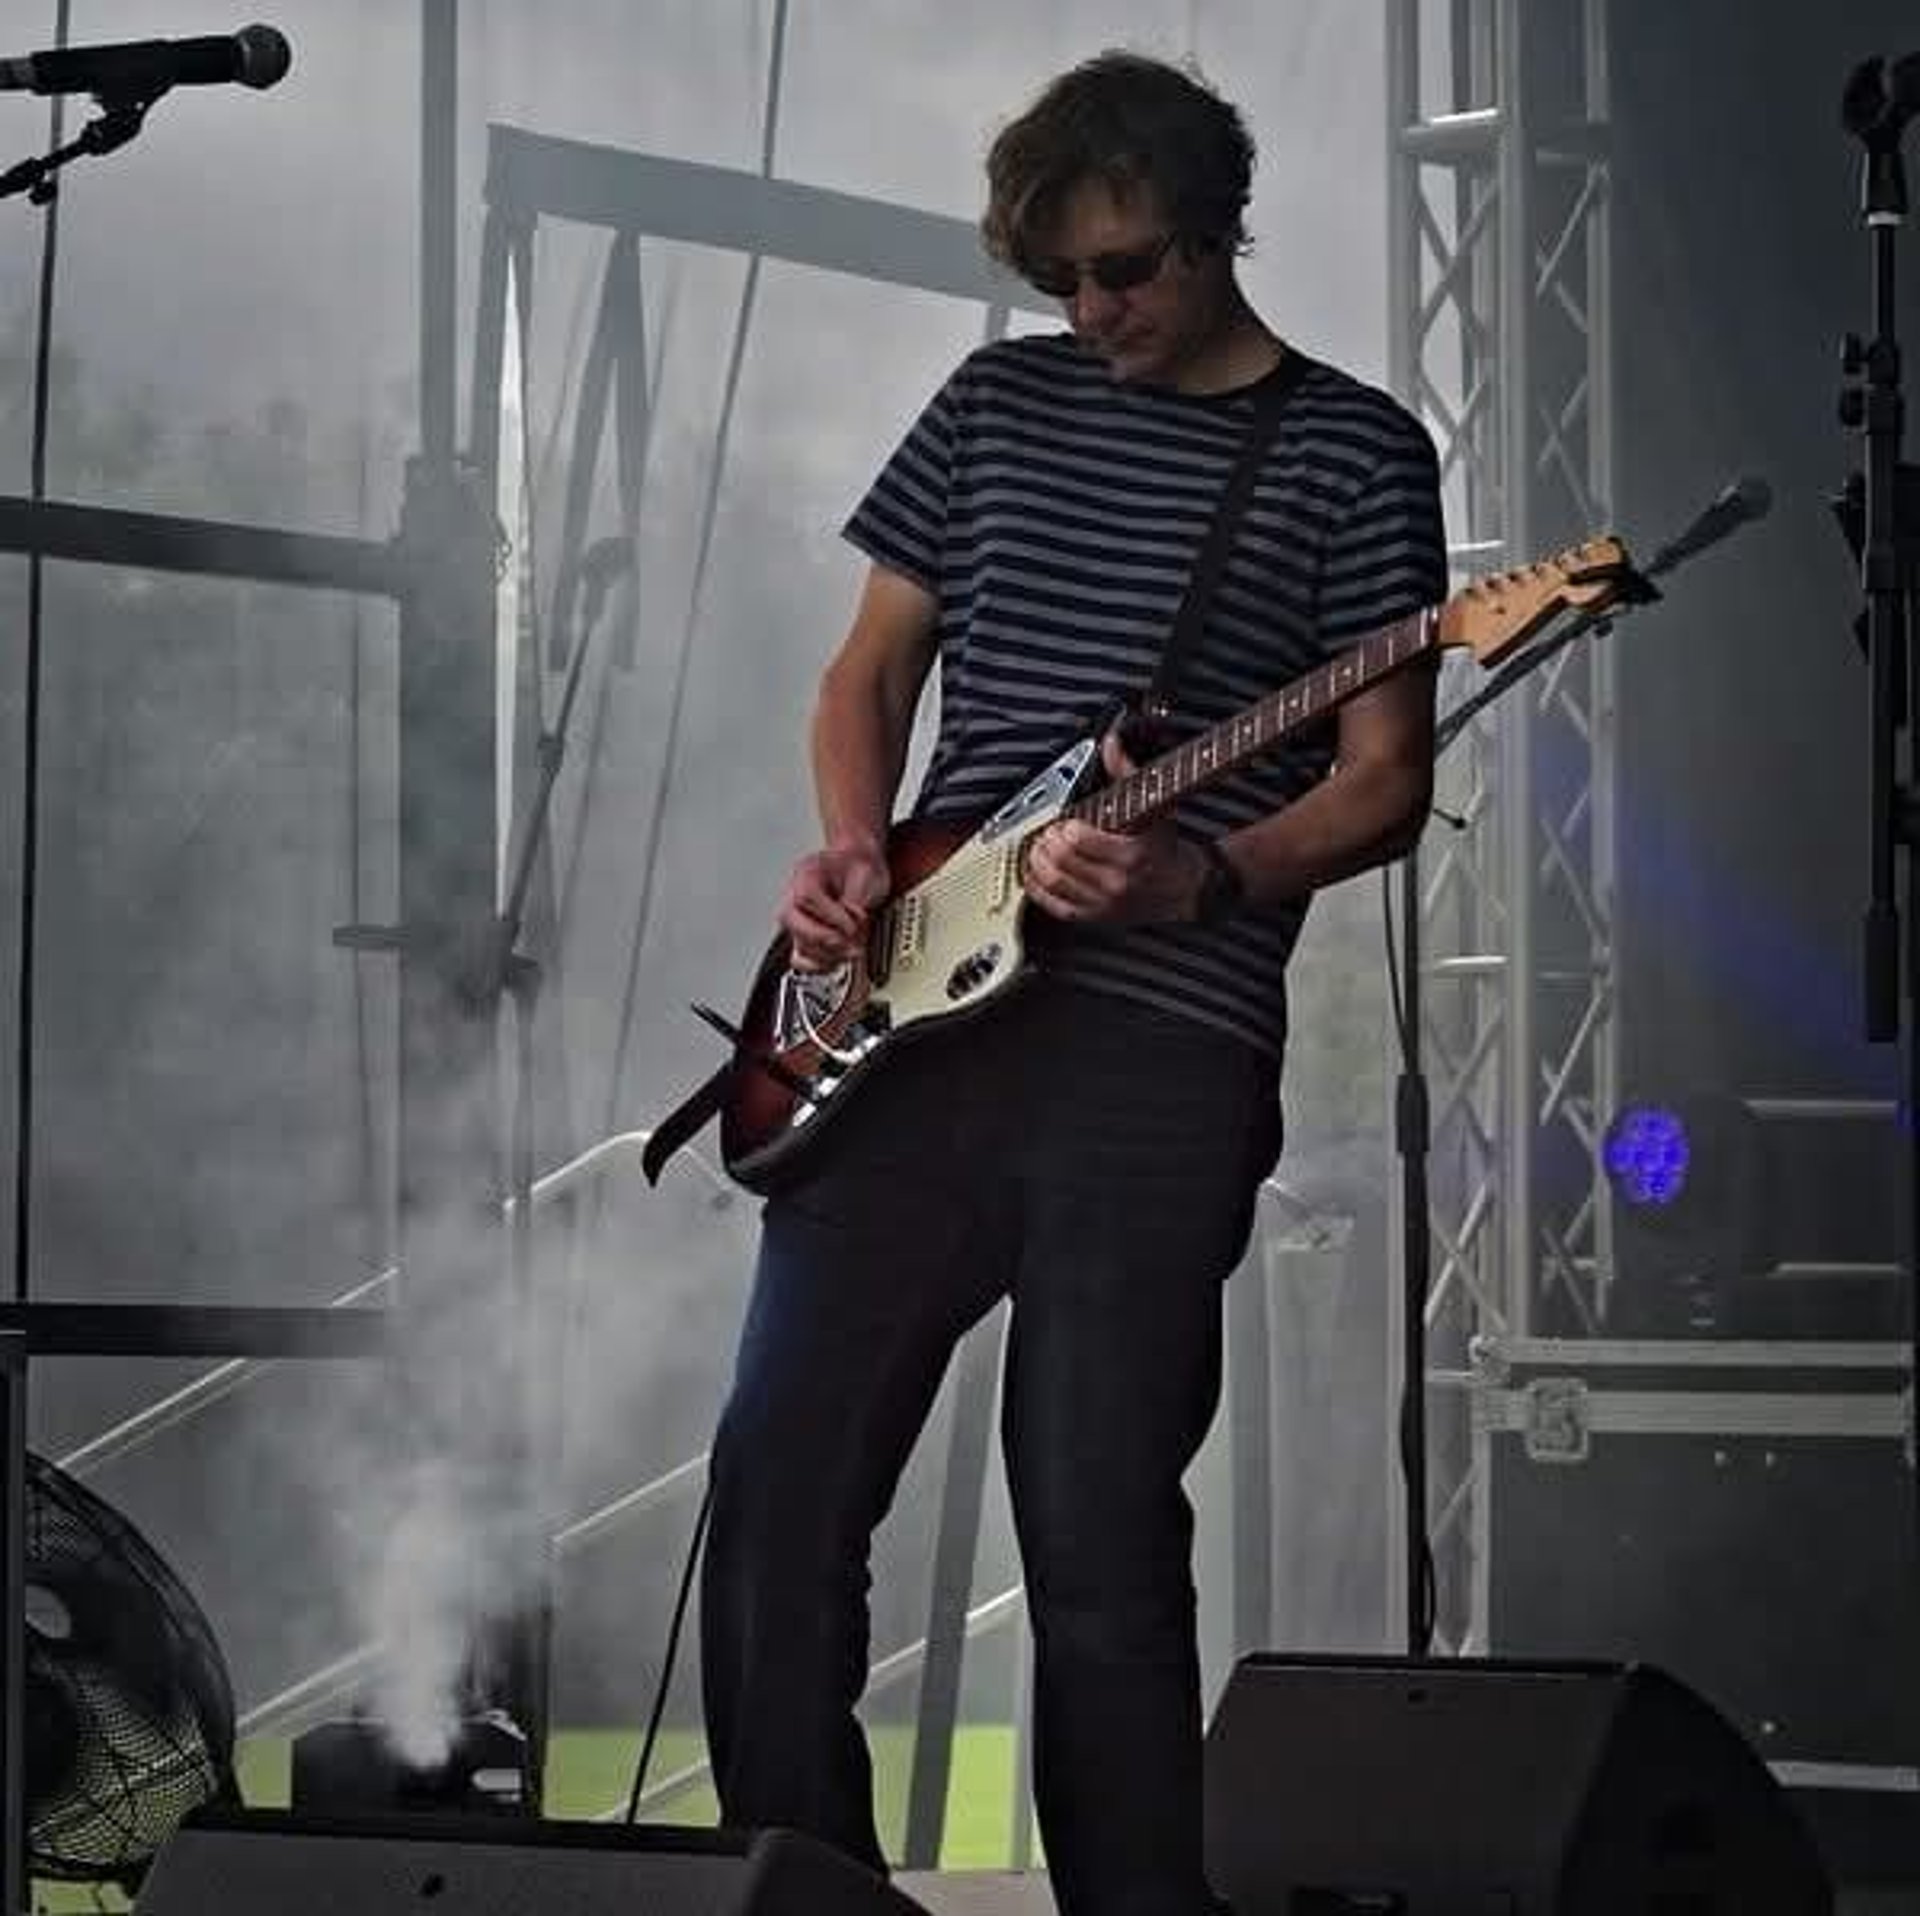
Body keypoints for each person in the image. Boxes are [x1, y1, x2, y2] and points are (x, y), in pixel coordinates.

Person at [698, 48, 1447, 1916]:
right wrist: (859, 853)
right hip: (911, 1026)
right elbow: (863, 679)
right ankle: (805, 1896)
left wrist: (1204, 875)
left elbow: (1382, 782)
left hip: (1158, 1058)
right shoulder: (991, 409)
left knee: (1100, 1539)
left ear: (1218, 235)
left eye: (1125, 273)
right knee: (780, 1489)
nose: (1091, 314)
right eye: (1060, 283)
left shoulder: (1356, 453)